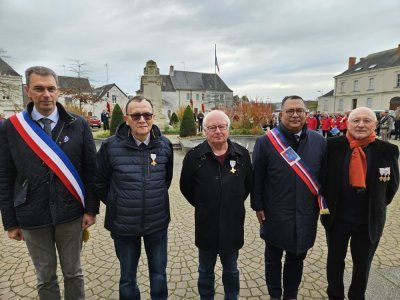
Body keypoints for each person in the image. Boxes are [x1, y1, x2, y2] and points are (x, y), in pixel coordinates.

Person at [0, 66, 98, 300]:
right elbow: (5, 176)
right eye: (39, 88)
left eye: (51, 89)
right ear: (28, 91)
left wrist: (91, 209)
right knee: (45, 277)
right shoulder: (11, 128)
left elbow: (91, 171)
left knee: (74, 273)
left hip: (71, 213)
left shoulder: (78, 124)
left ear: (58, 91)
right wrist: (10, 222)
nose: (46, 94)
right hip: (32, 215)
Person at [94, 95, 173, 300]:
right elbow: (100, 182)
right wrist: (116, 201)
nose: (142, 119)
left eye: (147, 114)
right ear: (127, 118)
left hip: (157, 222)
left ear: (153, 117)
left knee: (159, 276)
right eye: (136, 115)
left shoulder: (164, 145)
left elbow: (166, 180)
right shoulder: (110, 146)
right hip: (123, 224)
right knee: (127, 279)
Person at [251, 95, 327, 300]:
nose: (295, 115)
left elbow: (324, 176)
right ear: (280, 114)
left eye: (300, 111)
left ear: (306, 114)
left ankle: (290, 295)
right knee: (273, 259)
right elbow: (257, 176)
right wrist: (257, 205)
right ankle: (275, 295)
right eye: (290, 111)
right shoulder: (265, 142)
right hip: (274, 212)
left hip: (305, 213)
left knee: (297, 258)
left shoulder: (319, 141)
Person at [321, 107, 399, 299]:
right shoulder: (331, 146)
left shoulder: (388, 150)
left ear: (375, 124)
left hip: (369, 221)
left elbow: (392, 187)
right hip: (337, 218)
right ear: (348, 123)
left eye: (366, 121)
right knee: (335, 261)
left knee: (362, 264)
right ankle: (335, 295)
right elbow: (322, 180)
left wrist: (376, 205)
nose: (361, 125)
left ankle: (357, 295)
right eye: (356, 120)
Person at [180, 110, 252, 299]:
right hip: (206, 223)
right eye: (212, 127)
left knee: (231, 270)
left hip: (232, 223)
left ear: (228, 129)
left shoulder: (242, 154)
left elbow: (248, 185)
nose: (218, 131)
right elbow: (186, 187)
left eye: (222, 126)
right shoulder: (194, 157)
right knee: (205, 270)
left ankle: (232, 296)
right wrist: (205, 204)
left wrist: (230, 202)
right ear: (204, 131)